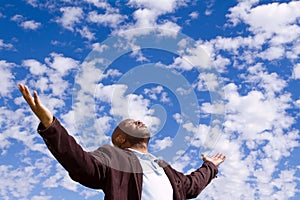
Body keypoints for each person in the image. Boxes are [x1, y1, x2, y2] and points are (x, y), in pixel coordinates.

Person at [18, 83, 226, 200]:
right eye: (129, 123)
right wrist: (50, 125)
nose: (137, 120)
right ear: (121, 139)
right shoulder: (113, 156)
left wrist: (210, 167)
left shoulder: (163, 167)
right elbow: (80, 162)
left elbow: (191, 185)